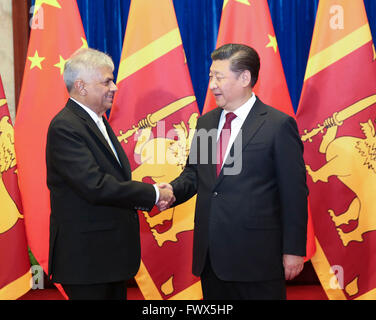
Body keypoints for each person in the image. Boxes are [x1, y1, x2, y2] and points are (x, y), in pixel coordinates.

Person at [158, 43, 308, 300]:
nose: (212, 84)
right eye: (210, 77)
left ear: (245, 78)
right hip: (211, 258)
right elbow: (195, 174)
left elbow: (294, 193)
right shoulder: (206, 123)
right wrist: (171, 191)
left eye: (219, 77)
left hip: (257, 259)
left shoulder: (278, 125)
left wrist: (293, 250)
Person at [46, 48, 174, 300]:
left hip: (108, 259)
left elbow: (113, 179)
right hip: (87, 261)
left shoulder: (98, 121)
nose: (114, 87)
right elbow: (94, 185)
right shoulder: (65, 126)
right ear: (81, 86)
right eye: (106, 81)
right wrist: (153, 193)